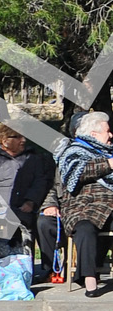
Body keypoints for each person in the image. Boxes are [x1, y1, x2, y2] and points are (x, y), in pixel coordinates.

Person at [55, 110, 113, 297]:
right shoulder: (73, 151)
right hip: (84, 206)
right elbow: (77, 173)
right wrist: (109, 164)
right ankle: (89, 280)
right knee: (85, 229)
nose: (111, 135)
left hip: (111, 204)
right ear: (94, 134)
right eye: (107, 131)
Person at [0, 123, 48, 260]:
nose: (23, 140)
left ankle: (24, 270)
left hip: (24, 211)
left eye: (24, 137)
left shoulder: (32, 159)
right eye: (17, 137)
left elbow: (40, 182)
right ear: (4, 140)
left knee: (26, 236)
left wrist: (31, 201)